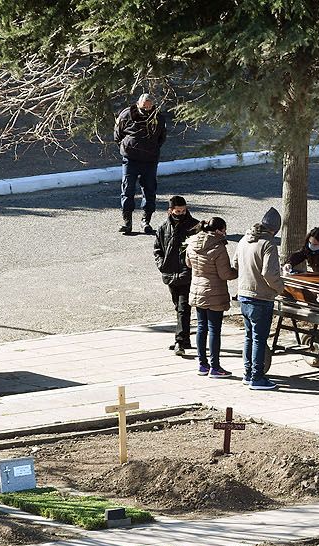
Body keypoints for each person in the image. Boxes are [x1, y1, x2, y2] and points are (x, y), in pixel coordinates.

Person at [235, 207, 283, 390]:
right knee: (259, 339)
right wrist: (280, 288)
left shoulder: (244, 240)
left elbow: (235, 265)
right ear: (275, 229)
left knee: (249, 337)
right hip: (261, 298)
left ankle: (247, 374)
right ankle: (257, 378)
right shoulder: (268, 244)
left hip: (244, 296)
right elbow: (269, 274)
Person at [186, 217, 237, 377]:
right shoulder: (218, 247)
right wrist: (238, 270)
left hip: (197, 289)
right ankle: (215, 366)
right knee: (214, 329)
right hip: (214, 292)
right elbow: (225, 274)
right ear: (218, 230)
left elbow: (188, 264)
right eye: (224, 230)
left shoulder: (192, 242)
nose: (225, 233)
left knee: (201, 328)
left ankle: (202, 365)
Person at [115, 93, 168, 235]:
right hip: (130, 159)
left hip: (150, 160)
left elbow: (162, 138)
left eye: (149, 106)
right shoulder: (127, 114)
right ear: (138, 103)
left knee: (150, 191)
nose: (146, 109)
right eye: (144, 106)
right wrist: (127, 147)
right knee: (127, 190)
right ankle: (127, 222)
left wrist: (151, 149)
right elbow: (117, 134)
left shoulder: (158, 118)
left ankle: (146, 221)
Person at [153, 195, 198, 356]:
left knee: (183, 307)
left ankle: (180, 341)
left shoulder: (194, 226)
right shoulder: (163, 228)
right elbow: (157, 249)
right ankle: (185, 338)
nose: (181, 213)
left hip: (187, 273)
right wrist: (162, 265)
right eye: (177, 211)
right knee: (178, 307)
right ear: (170, 211)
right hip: (170, 273)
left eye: (183, 210)